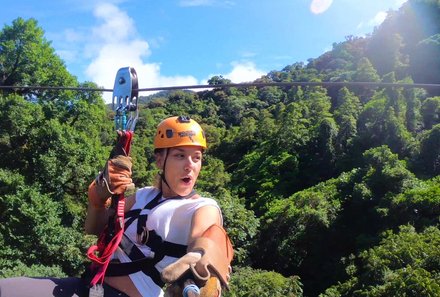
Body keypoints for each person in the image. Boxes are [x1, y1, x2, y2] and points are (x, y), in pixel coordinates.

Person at [0, 115, 233, 297]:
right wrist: (99, 198)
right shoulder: (142, 197)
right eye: (180, 156)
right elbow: (95, 227)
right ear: (160, 160)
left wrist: (202, 255)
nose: (189, 166)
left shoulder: (202, 207)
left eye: (196, 158)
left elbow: (206, 236)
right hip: (89, 286)